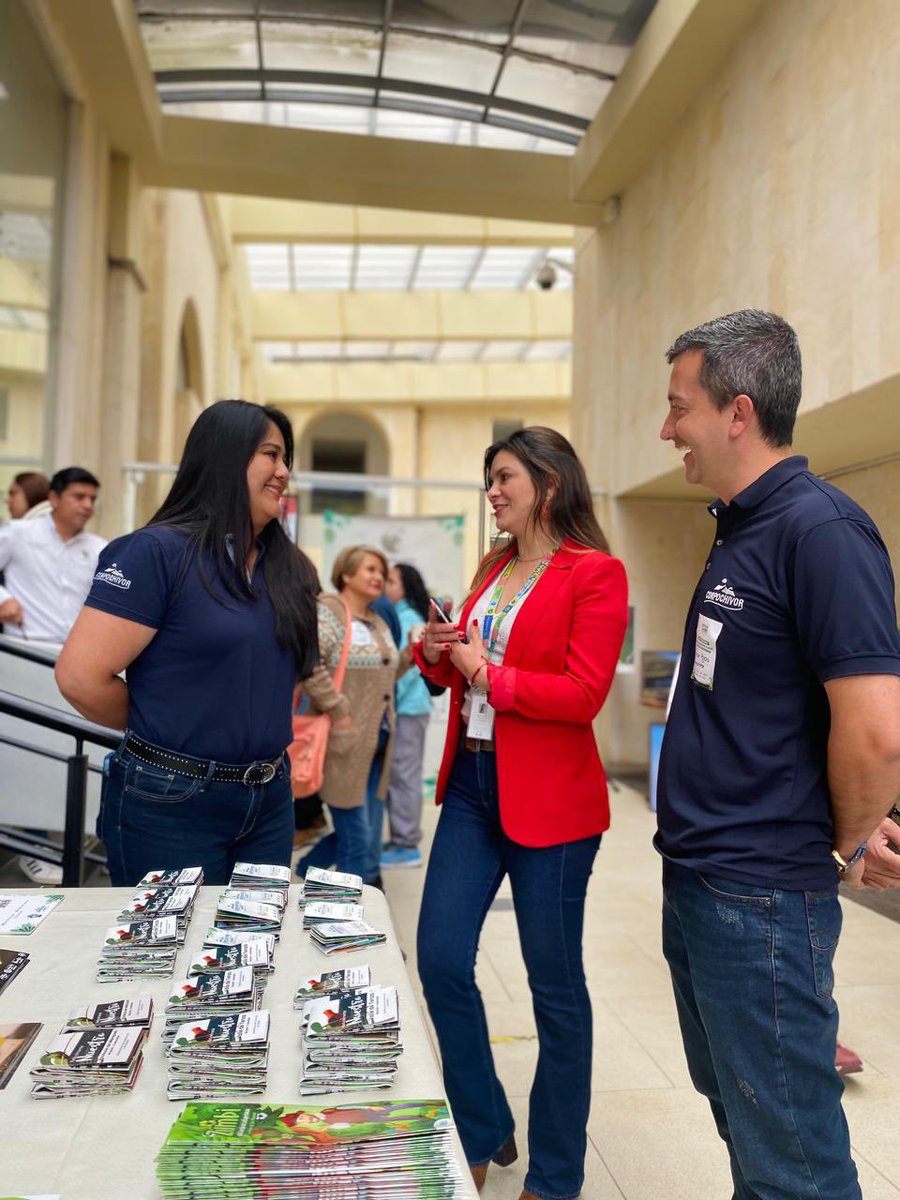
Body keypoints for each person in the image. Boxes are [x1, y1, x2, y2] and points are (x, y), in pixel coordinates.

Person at [656, 309, 900, 1200]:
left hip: (760, 896)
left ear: (737, 411)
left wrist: (836, 843)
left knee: (795, 1160)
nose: (666, 428)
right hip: (707, 881)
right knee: (748, 1123)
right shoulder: (743, 527)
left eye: (679, 406)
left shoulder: (822, 531)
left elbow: (876, 732)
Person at [414, 426, 628, 1200]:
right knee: (438, 960)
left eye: (504, 477)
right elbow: (453, 674)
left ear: (549, 480)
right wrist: (440, 649)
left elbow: (582, 694)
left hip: (554, 805)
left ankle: (558, 1174)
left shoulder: (596, 574)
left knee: (555, 989)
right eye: (490, 480)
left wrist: (486, 671)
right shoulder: (494, 566)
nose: (493, 492)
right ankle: (480, 1122)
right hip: (473, 785)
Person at [55, 399, 318, 887]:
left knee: (249, 954)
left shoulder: (293, 570)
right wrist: (168, 724)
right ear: (224, 456)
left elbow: (290, 682)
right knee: (167, 958)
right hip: (168, 800)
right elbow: (80, 678)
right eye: (270, 454)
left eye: (286, 459)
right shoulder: (154, 553)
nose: (283, 472)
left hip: (270, 801)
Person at [299, 545, 412, 887]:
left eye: (382, 572)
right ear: (346, 575)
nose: (378, 577)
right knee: (358, 839)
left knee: (365, 829)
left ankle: (308, 868)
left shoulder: (376, 620)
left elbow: (384, 677)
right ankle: (351, 919)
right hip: (343, 741)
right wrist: (340, 711)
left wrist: (410, 655)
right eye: (370, 570)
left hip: (377, 742)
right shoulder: (330, 611)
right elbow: (310, 666)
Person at [0, 467, 105, 644]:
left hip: (75, 652)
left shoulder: (100, 548)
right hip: (23, 648)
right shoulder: (18, 532)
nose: (87, 505)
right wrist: (4, 599)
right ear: (54, 499)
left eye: (92, 499)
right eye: (79, 497)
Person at [380, 562, 433, 869]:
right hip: (404, 708)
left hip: (407, 709)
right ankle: (401, 838)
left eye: (391, 581)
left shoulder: (409, 617)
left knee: (404, 776)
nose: (385, 585)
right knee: (400, 775)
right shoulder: (399, 615)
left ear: (405, 586)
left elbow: (407, 666)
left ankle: (407, 845)